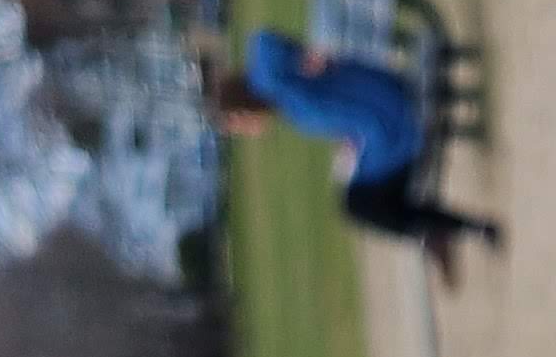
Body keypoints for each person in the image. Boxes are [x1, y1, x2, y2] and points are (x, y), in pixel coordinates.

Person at [214, 35, 504, 281]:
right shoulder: (278, 86)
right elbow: (266, 44)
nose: (248, 132)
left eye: (240, 126)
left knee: (363, 203)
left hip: (392, 125)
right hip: (383, 107)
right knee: (372, 199)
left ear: (242, 111)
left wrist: (300, 57)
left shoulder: (284, 94)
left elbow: (270, 50)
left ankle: (454, 229)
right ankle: (453, 230)